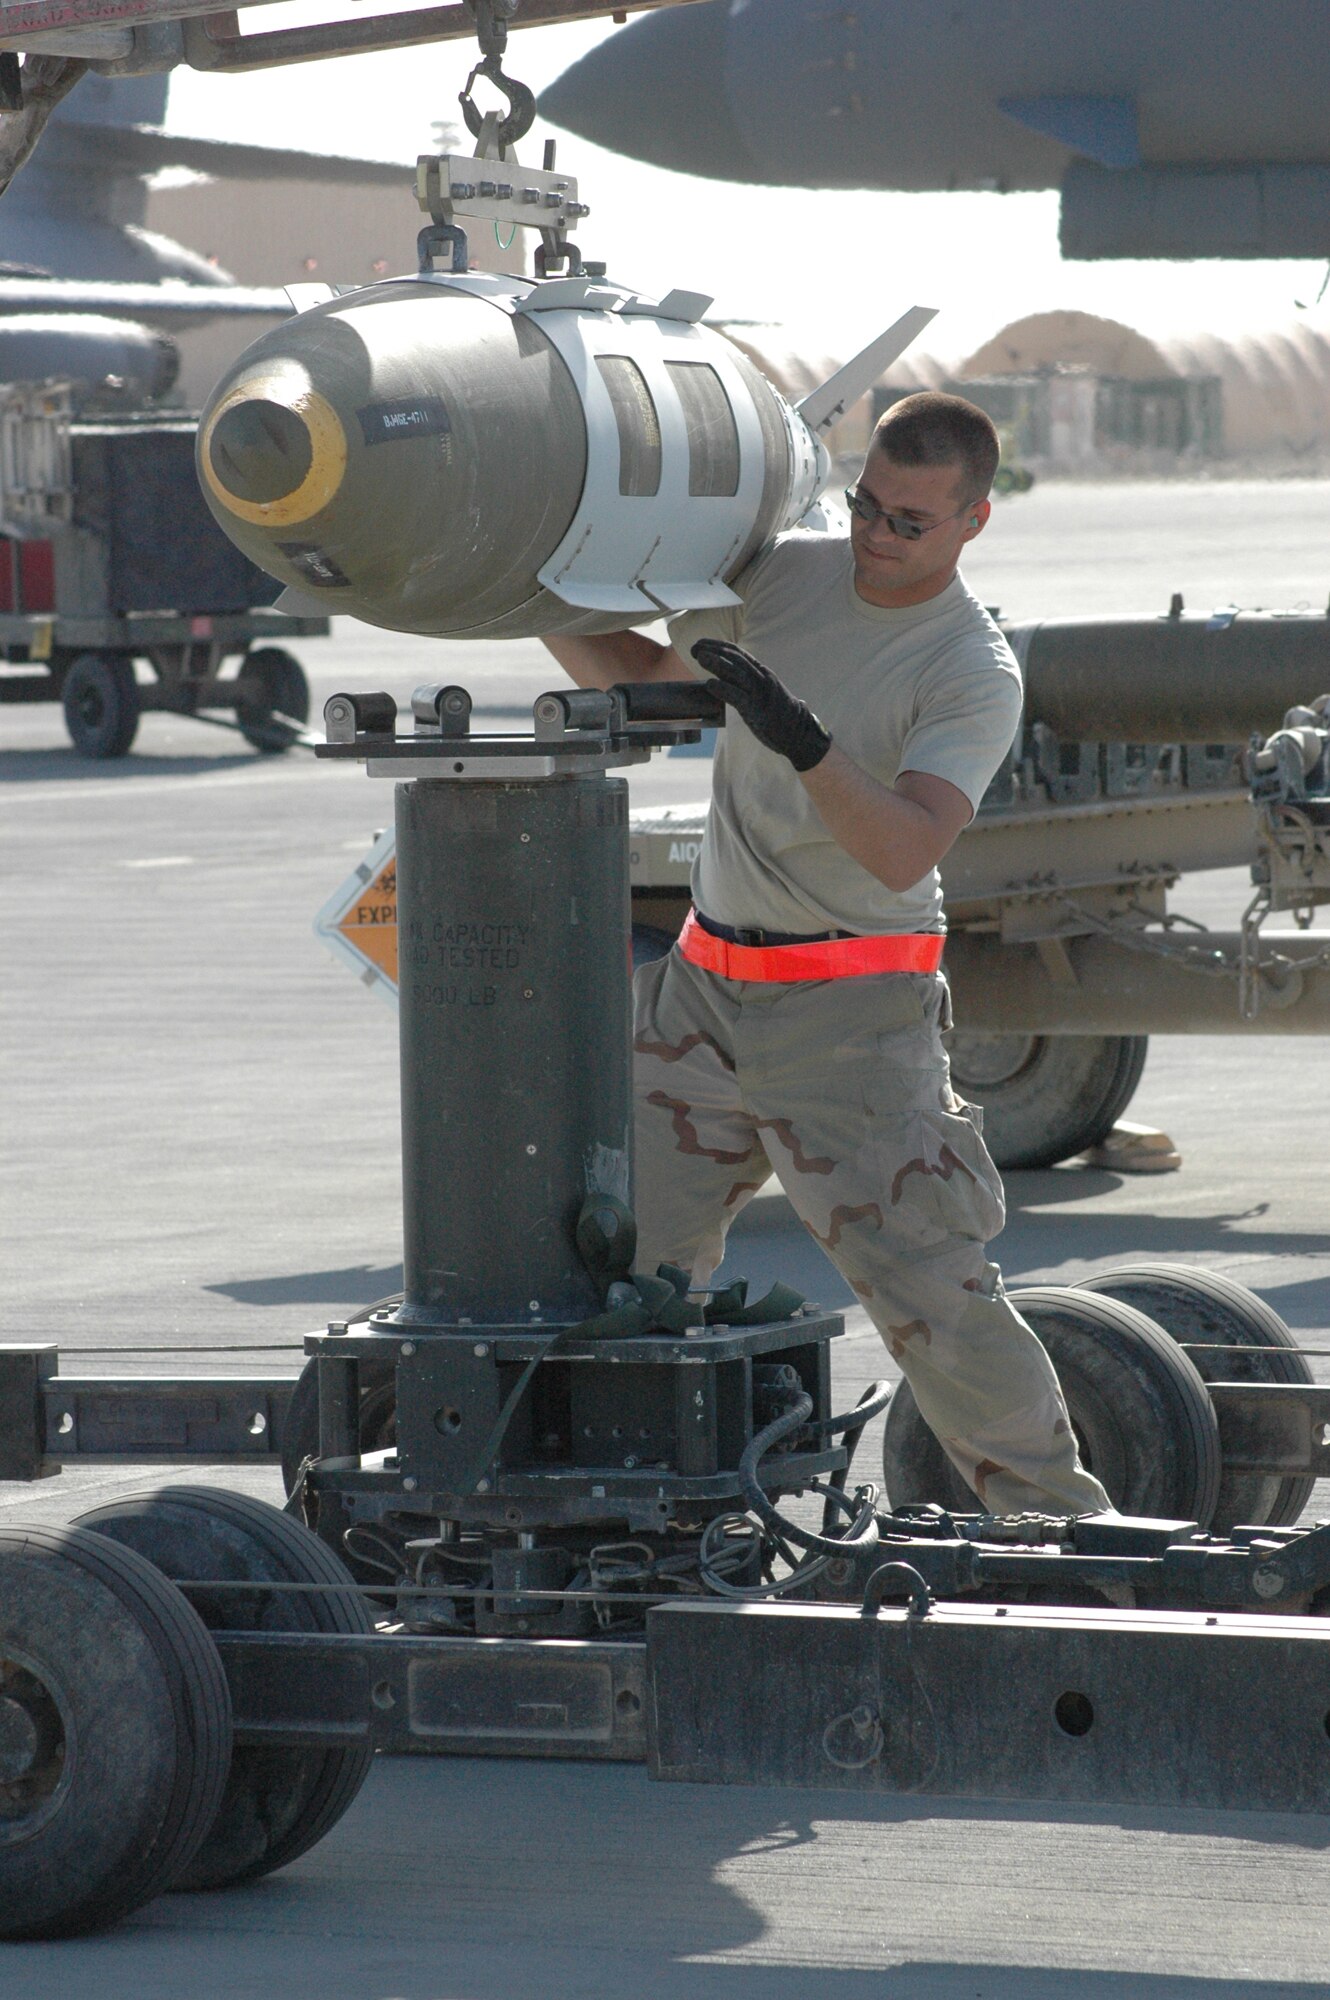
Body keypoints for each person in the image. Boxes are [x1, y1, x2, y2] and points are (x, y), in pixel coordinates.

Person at [544, 390, 1111, 1518]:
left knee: (937, 1308)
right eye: (865, 504)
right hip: (699, 1000)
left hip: (851, 1018)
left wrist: (804, 741)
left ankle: (1073, 1542)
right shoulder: (786, 576)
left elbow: (904, 847)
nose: (875, 534)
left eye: (909, 519)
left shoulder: (968, 668)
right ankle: (624, 1526)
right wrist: (533, 586)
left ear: (972, 522)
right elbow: (640, 678)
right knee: (608, 1281)